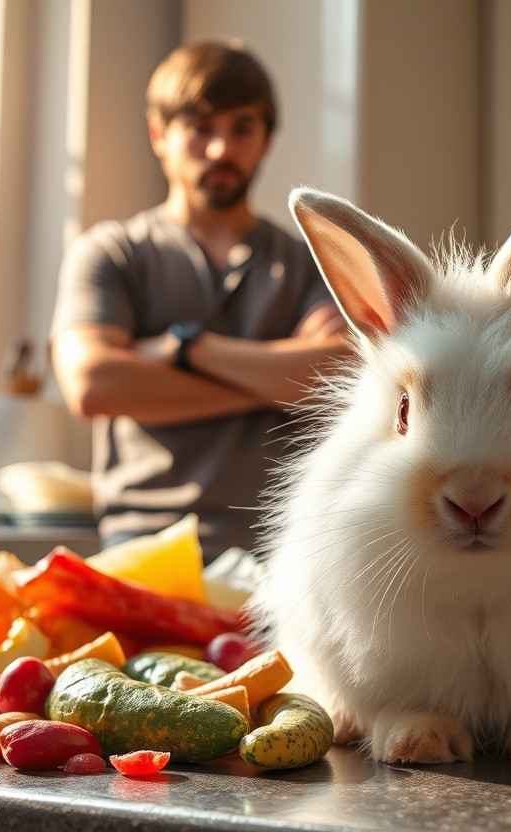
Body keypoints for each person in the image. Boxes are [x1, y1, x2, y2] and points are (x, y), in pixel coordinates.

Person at [50, 40, 348, 561]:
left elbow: (339, 373)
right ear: (159, 135)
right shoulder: (111, 252)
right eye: (201, 128)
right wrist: (273, 383)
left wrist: (186, 350)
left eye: (242, 128)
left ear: (267, 140)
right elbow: (92, 384)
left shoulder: (312, 261)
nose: (220, 150)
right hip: (139, 547)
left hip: (283, 550)